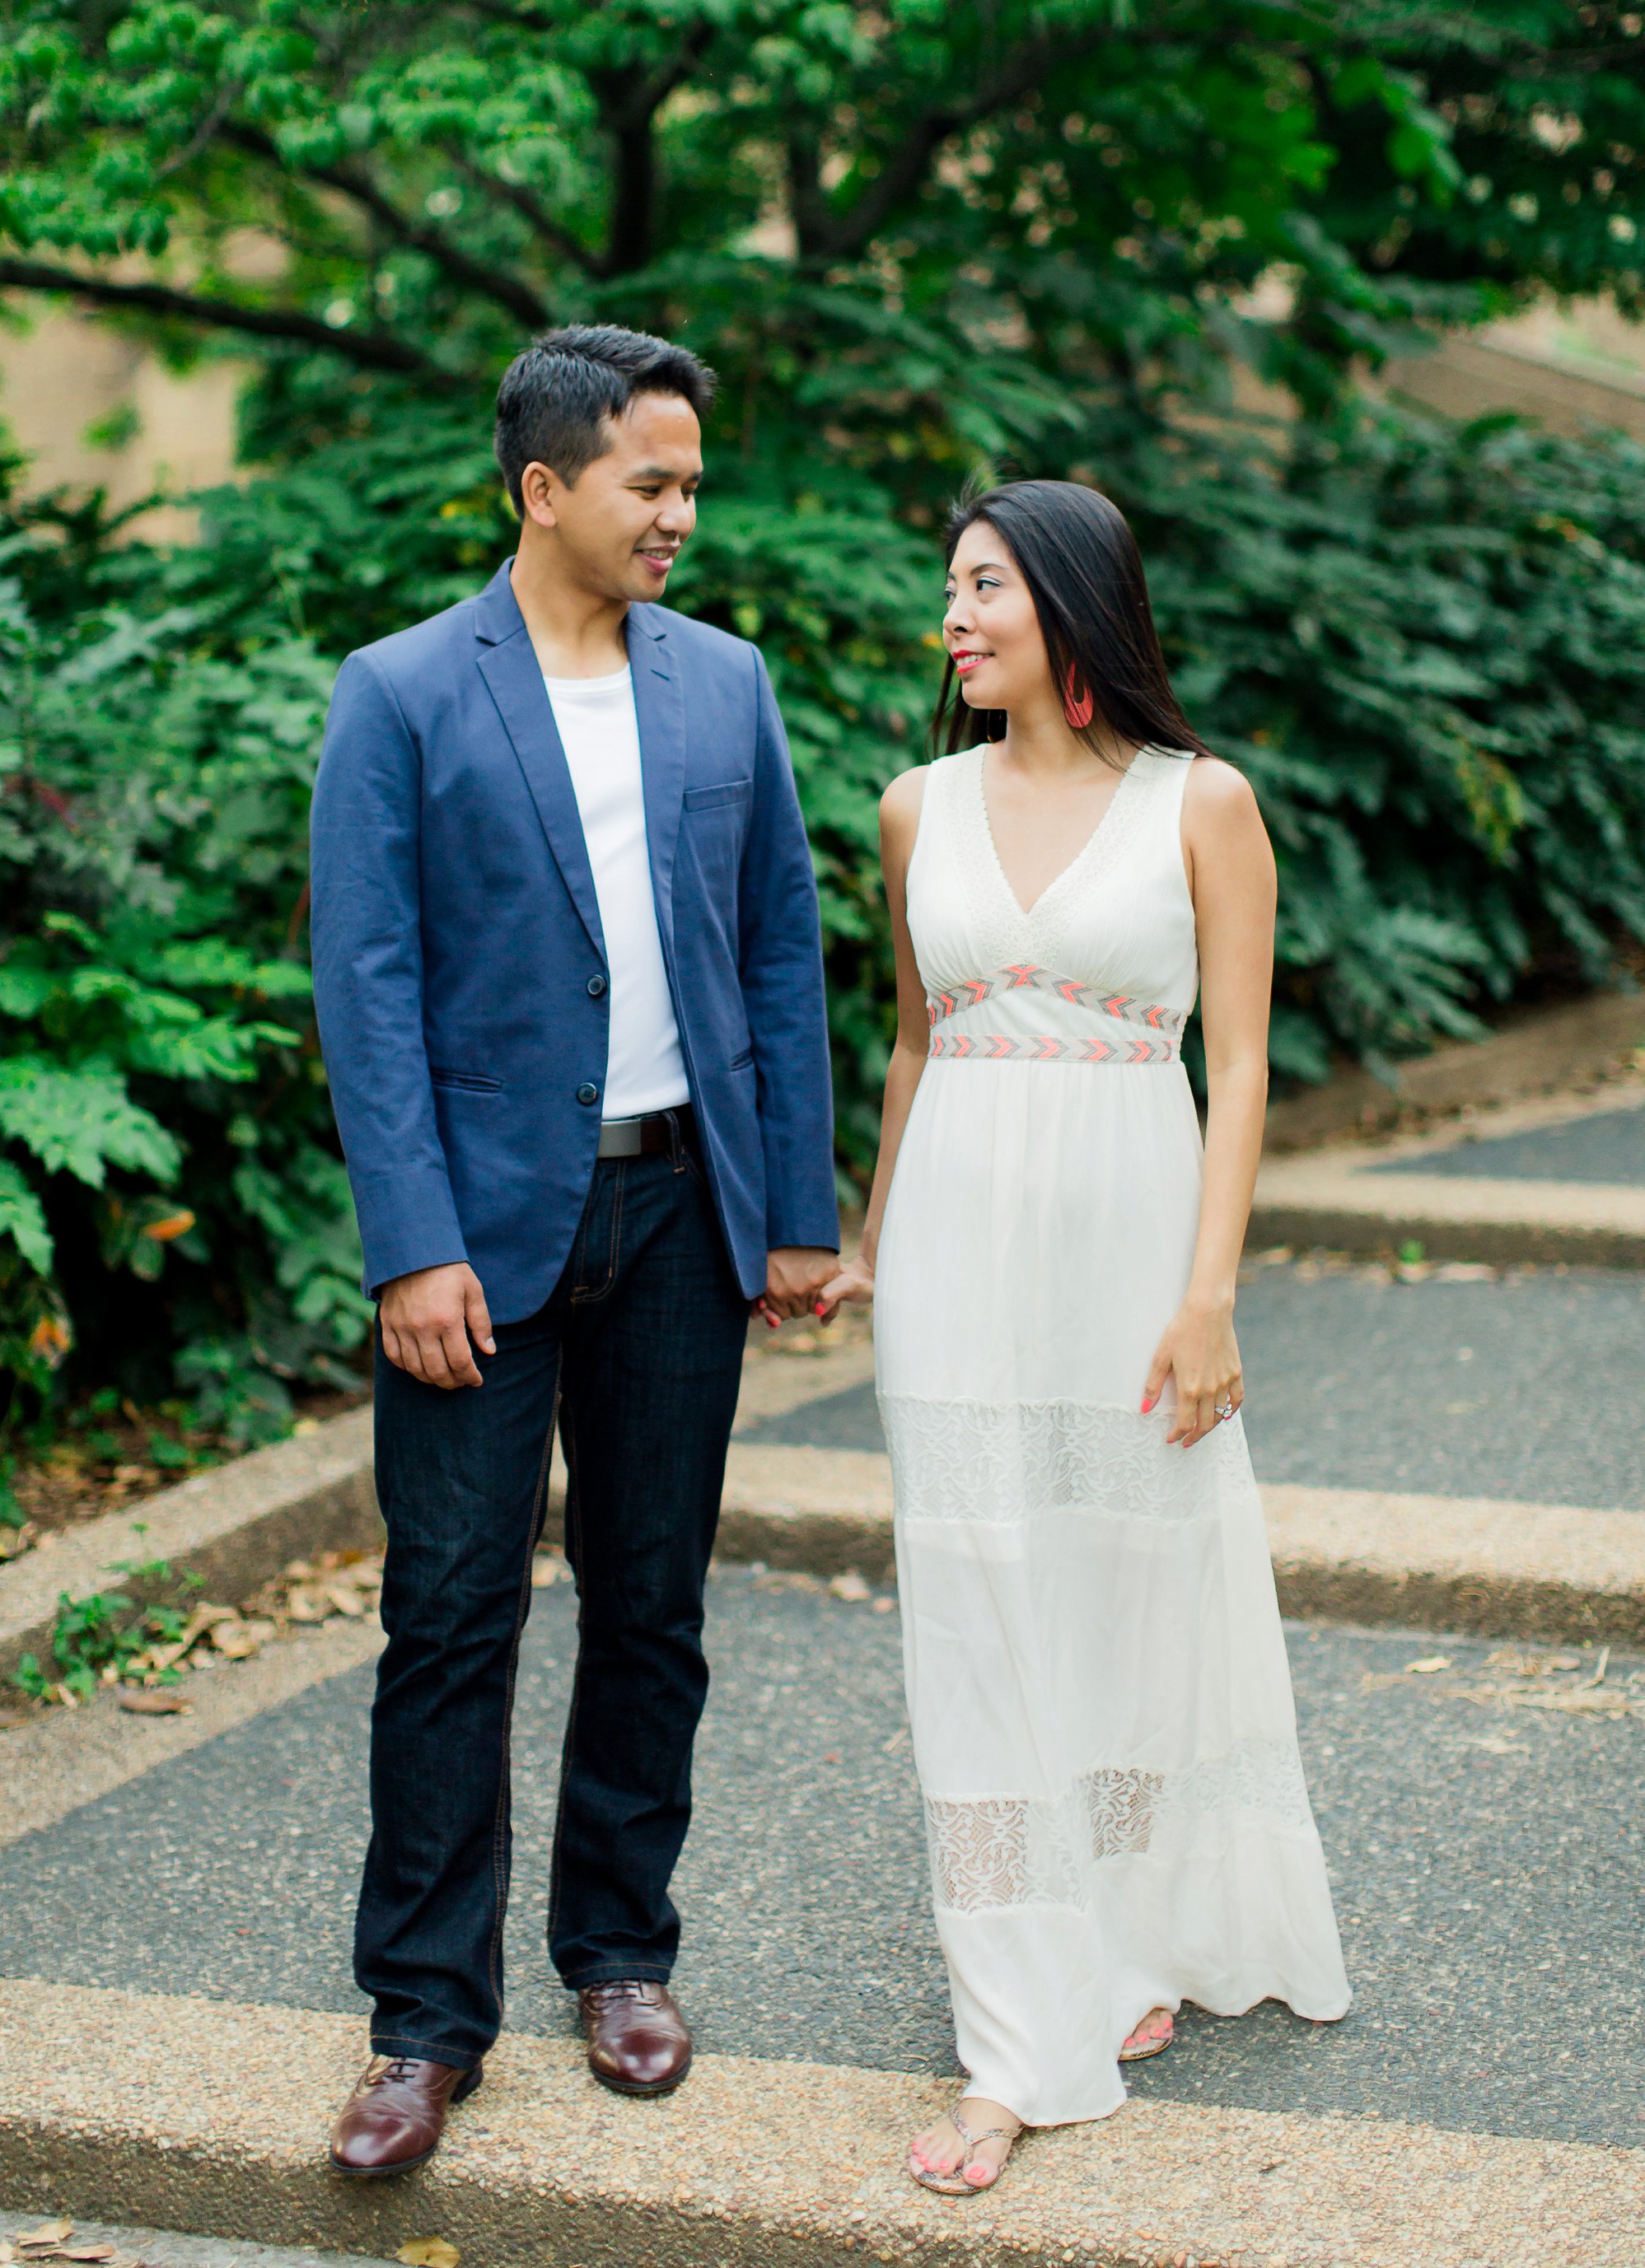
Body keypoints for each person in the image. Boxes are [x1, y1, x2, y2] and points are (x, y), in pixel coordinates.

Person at [310, 323, 839, 2177]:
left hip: (683, 1209)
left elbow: (779, 947)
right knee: (448, 1619)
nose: (680, 514)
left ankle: (620, 1950)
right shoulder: (399, 691)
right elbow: (366, 993)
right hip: (479, 1240)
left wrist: (796, 1209)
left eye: (690, 482)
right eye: (651, 482)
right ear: (545, 487)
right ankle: (422, 2021)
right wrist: (410, 1247)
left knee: (653, 1602)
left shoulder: (728, 685)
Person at [819, 478, 1349, 2196]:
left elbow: (1245, 1065)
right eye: (948, 593)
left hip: (1134, 1245)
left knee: (1123, 1589)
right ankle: (1015, 2044)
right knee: (978, 1607)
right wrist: (872, 1244)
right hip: (959, 1255)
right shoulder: (915, 808)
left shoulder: (1204, 807)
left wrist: (1209, 1300)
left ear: (1067, 604)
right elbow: (912, 1046)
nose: (950, 622)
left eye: (979, 589)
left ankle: (1115, 1938)